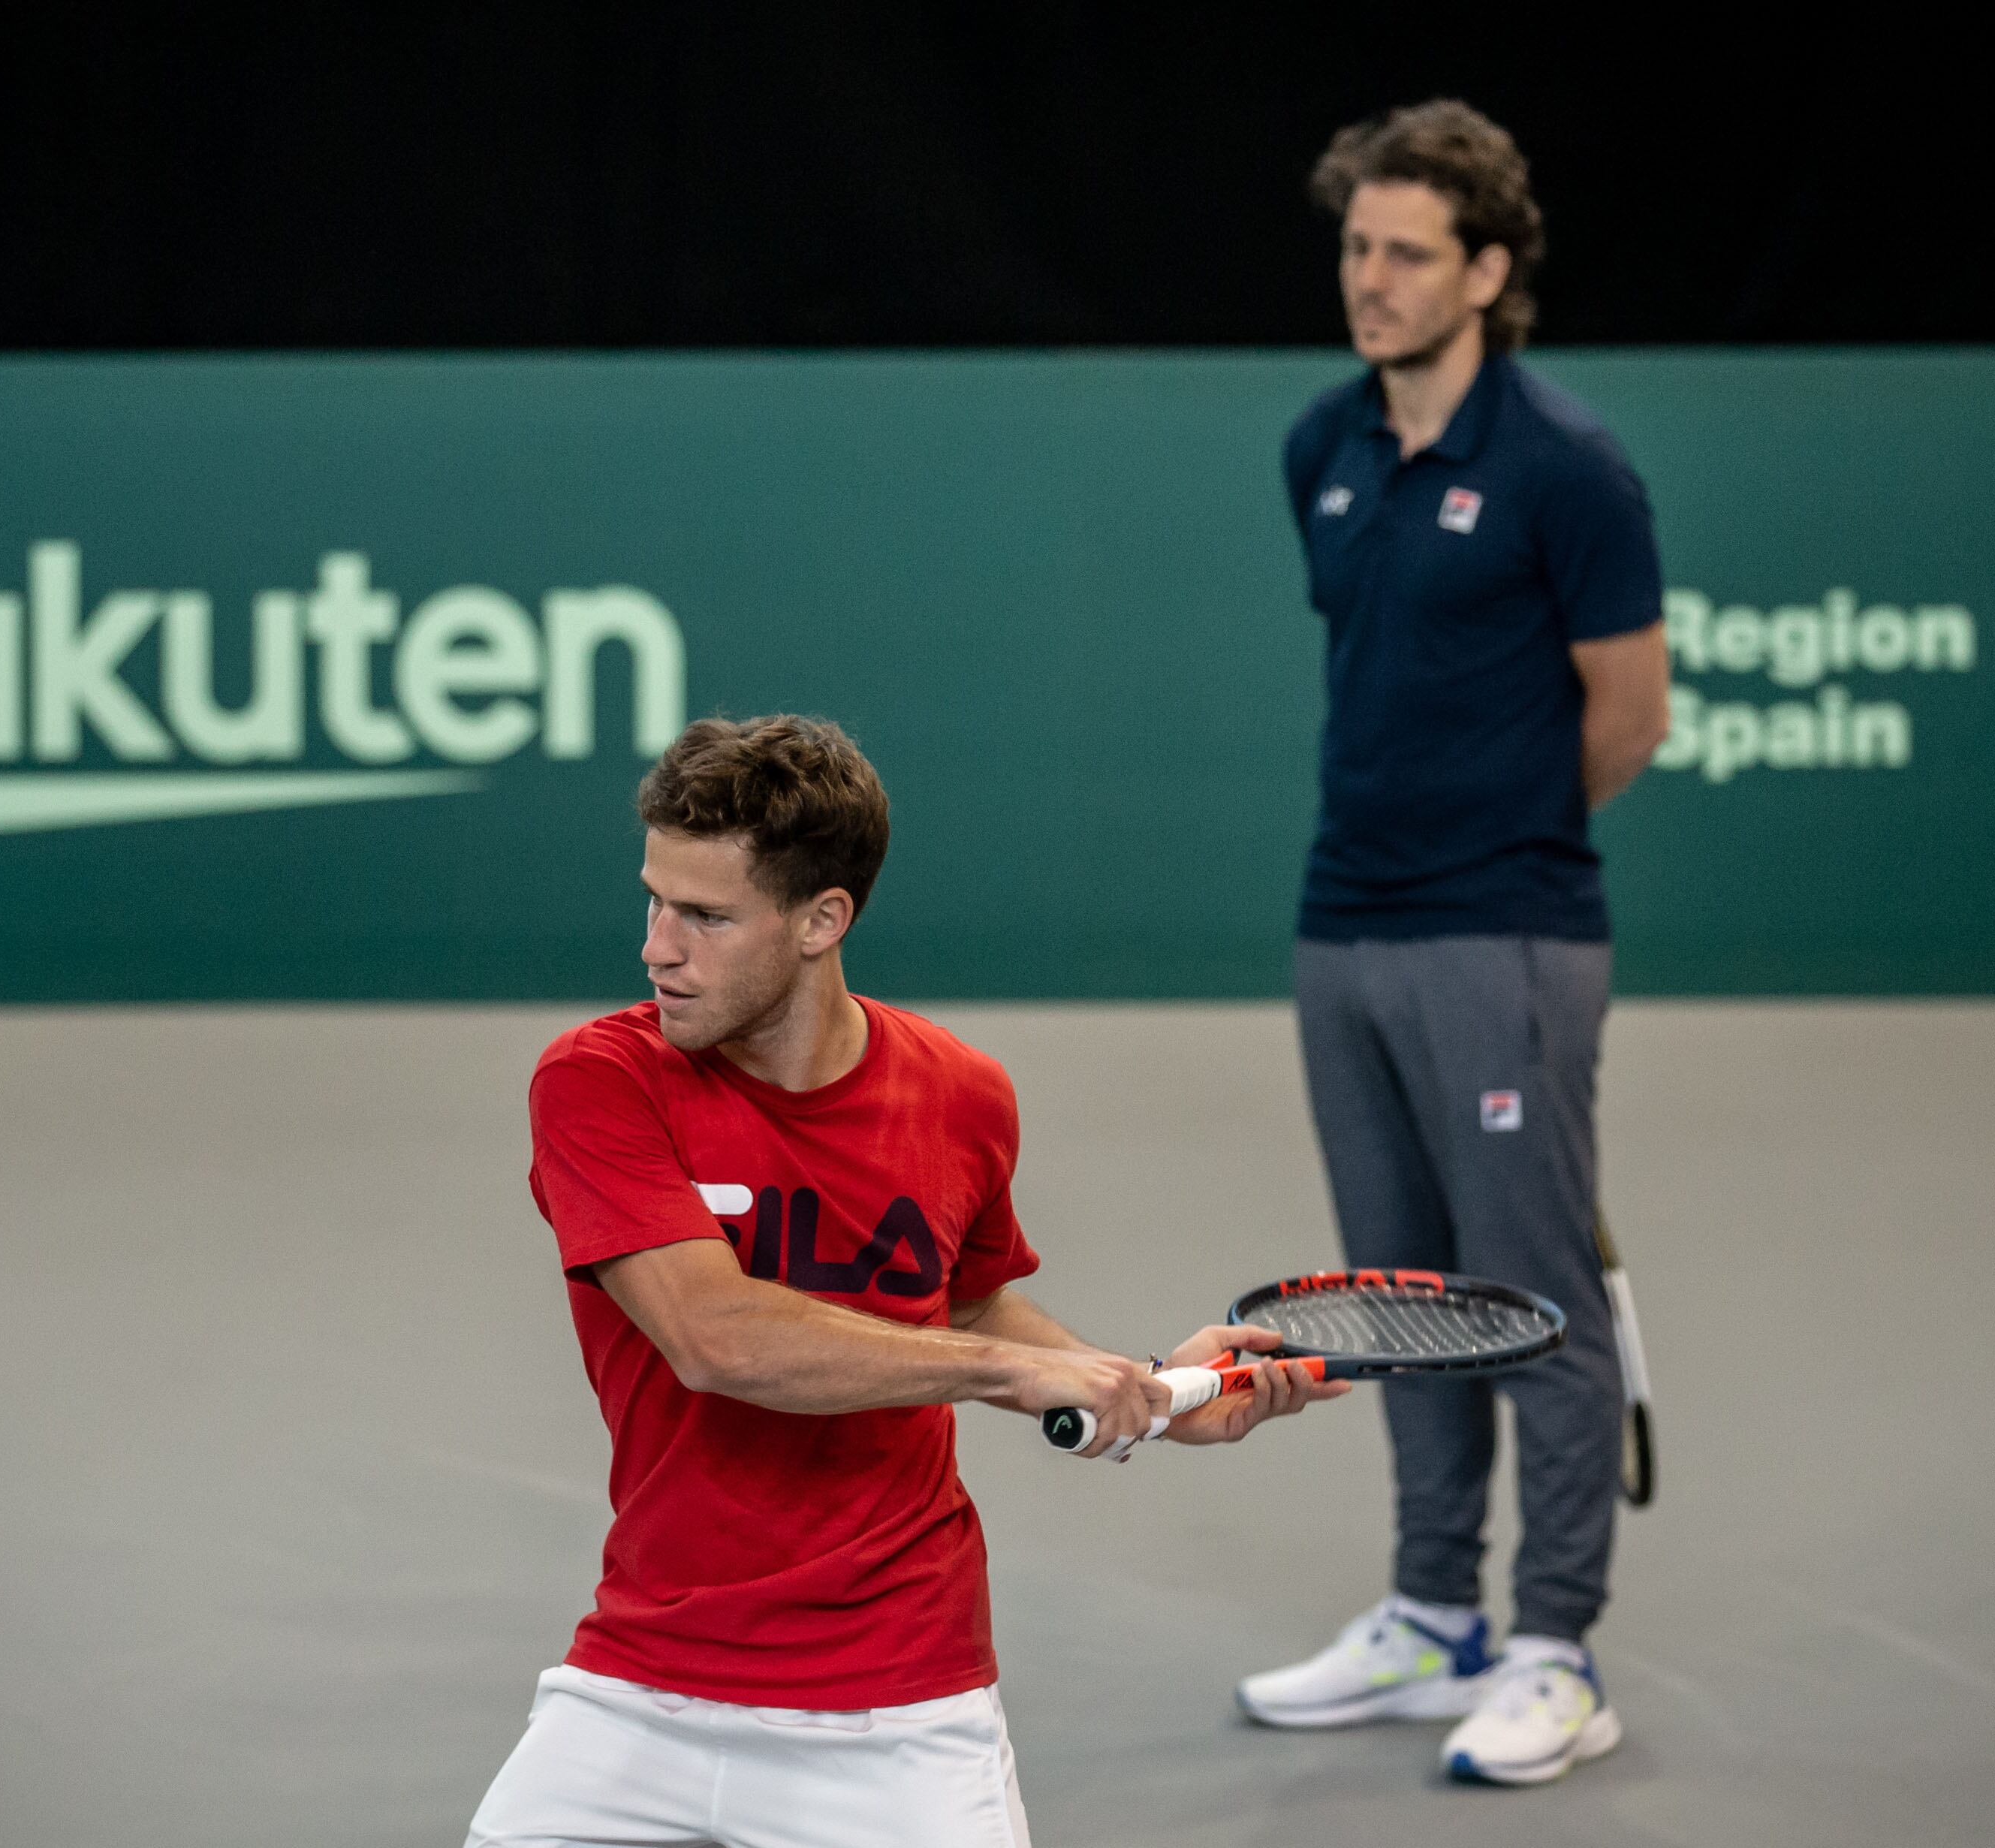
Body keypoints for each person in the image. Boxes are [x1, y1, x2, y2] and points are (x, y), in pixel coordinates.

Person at [466, 715, 1343, 1848]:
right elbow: (712, 1336)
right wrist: (1012, 1370)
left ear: (824, 919)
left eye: (707, 916)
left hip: (898, 1705)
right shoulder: (600, 1082)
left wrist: (1150, 1394)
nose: (657, 947)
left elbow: (965, 1299)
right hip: (640, 1685)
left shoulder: (963, 1097)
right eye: (655, 900)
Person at [1234, 101, 1671, 1786]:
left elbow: (1624, 716)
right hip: (1339, 927)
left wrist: (1490, 844)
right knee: (1398, 1299)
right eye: (1357, 246)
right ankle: (1433, 1617)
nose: (1371, 278)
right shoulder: (1319, 448)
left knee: (1531, 1302)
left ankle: (1556, 1645)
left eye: (1408, 252)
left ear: (1487, 271)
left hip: (1506, 940)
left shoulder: (1568, 466)